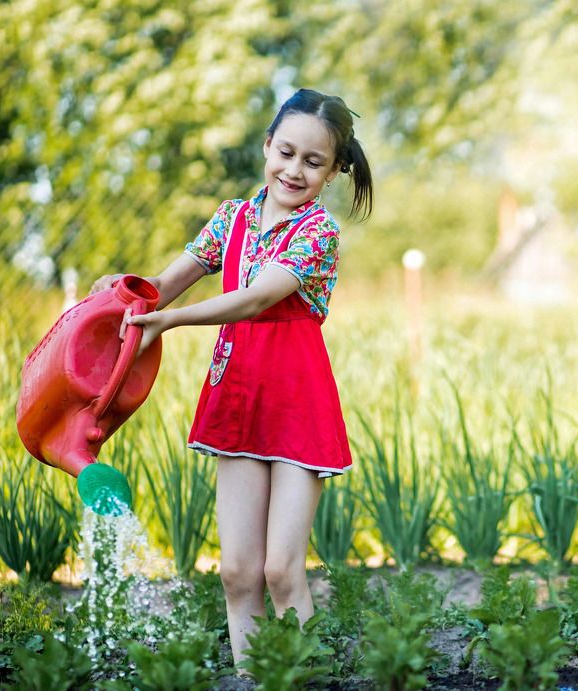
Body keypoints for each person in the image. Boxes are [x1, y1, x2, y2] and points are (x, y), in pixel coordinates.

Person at [89, 88, 372, 669]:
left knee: (279, 569)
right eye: (286, 152)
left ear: (335, 170)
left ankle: (298, 678)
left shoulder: (318, 234)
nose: (294, 170)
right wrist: (123, 291)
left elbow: (254, 300)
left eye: (313, 162)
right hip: (237, 398)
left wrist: (166, 323)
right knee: (240, 572)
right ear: (267, 145)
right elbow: (162, 287)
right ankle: (253, 680)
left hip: (297, 403)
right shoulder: (231, 219)